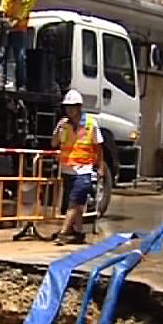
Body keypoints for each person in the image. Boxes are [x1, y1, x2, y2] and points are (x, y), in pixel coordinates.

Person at [51, 89, 103, 245]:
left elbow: (98, 147)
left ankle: (63, 232)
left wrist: (100, 166)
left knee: (74, 203)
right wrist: (58, 130)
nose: (70, 110)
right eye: (67, 107)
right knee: (77, 204)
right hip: (67, 169)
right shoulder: (64, 125)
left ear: (79, 107)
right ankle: (79, 232)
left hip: (84, 170)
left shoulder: (91, 124)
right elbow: (54, 143)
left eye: (73, 107)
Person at [0, 0, 36, 90]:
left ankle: (21, 84)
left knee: (20, 57)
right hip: (7, 27)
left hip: (19, 31)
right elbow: (3, 5)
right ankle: (0, 82)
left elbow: (21, 16)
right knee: (2, 55)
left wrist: (10, 25)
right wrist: (2, 18)